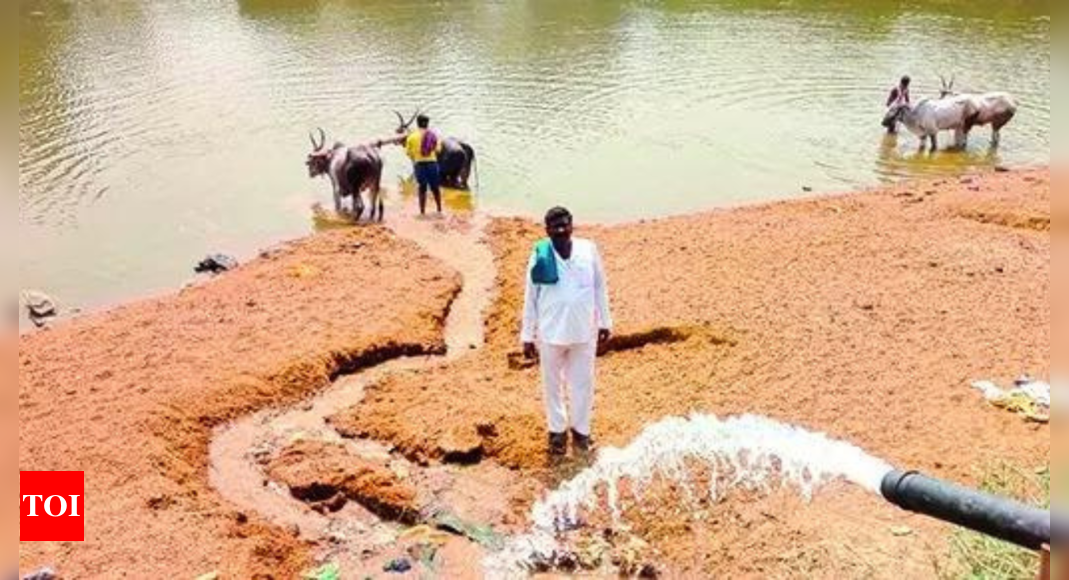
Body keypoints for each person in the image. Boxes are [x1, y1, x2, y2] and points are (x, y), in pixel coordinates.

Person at [521, 207, 613, 456]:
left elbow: (600, 286)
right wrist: (527, 336)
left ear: (572, 225)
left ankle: (581, 432)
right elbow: (531, 296)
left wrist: (606, 321)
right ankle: (557, 432)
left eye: (564, 225)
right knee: (552, 385)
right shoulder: (540, 255)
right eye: (555, 227)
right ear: (547, 230)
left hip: (584, 332)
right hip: (550, 333)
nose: (560, 231)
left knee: (583, 383)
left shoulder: (588, 250)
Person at [405, 114, 443, 215]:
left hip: (419, 165)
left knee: (422, 188)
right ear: (427, 124)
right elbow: (438, 150)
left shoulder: (411, 137)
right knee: (435, 188)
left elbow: (408, 153)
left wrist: (416, 155)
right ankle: (439, 210)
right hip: (432, 164)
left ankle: (422, 212)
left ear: (417, 124)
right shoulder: (433, 135)